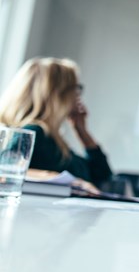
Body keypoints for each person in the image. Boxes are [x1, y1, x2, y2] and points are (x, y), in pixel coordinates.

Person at [0, 57, 113, 188]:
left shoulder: (52, 138)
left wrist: (81, 130)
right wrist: (73, 183)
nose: (78, 96)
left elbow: (102, 175)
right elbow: (7, 171)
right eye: (75, 88)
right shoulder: (34, 132)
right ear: (57, 94)